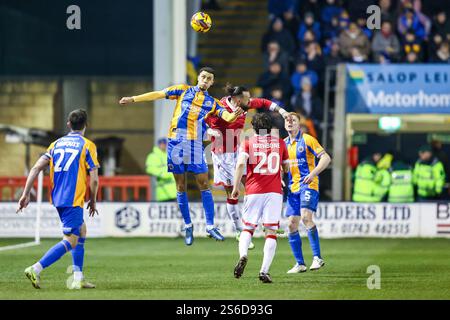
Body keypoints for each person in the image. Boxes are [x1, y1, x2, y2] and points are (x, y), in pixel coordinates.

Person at [119, 67, 242, 245]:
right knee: (180, 185)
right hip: (176, 142)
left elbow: (228, 117)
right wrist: (133, 99)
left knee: (204, 183)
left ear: (212, 83)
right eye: (203, 77)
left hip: (195, 144)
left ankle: (210, 226)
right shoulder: (182, 90)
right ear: (198, 78)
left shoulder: (213, 103)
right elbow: (158, 94)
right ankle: (188, 225)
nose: (206, 80)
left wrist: (234, 114)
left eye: (209, 79)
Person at [17, 109, 99, 290]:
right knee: (71, 240)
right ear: (86, 125)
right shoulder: (87, 145)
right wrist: (92, 200)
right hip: (73, 198)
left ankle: (78, 278)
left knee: (81, 230)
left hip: (58, 197)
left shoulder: (55, 145)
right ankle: (35, 268)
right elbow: (94, 179)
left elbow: (36, 168)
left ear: (68, 124)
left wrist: (25, 194)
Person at [205, 84, 291, 249]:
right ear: (237, 98)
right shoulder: (219, 106)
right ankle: (239, 230)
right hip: (222, 153)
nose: (249, 101)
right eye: (246, 98)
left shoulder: (245, 104)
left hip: (238, 149)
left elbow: (265, 102)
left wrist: (282, 111)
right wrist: (209, 130)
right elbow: (203, 118)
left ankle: (269, 224)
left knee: (253, 184)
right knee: (232, 192)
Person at [231, 113, 290, 283]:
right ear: (270, 127)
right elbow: (286, 168)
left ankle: (243, 255)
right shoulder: (280, 143)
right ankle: (264, 271)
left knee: (248, 228)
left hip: (254, 190)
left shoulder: (248, 143)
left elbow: (241, 164)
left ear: (254, 127)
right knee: (271, 232)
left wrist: (235, 187)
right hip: (274, 192)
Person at [283, 113, 331, 273]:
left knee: (305, 217)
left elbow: (326, 158)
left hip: (308, 185)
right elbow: (282, 166)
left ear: (299, 124)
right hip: (293, 188)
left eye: (293, 120)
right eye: (287, 120)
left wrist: (313, 174)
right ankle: (300, 264)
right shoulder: (283, 144)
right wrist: (280, 178)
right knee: (291, 224)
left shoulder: (308, 139)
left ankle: (317, 258)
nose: (290, 122)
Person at [145, 138, 177, 202]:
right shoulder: (153, 156)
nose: (163, 145)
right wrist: (162, 174)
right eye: (161, 144)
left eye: (165, 144)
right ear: (158, 145)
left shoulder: (169, 155)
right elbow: (149, 169)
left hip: (174, 192)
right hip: (163, 192)